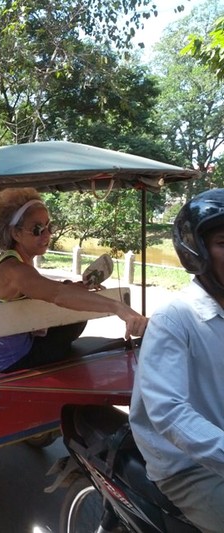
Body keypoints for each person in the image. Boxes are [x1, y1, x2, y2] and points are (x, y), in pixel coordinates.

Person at [129, 189, 224, 532]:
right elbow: (169, 411)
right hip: (188, 466)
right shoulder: (176, 318)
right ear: (196, 252)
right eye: (223, 243)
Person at [0, 187, 147, 373]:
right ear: (16, 234)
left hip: (11, 349)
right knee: (76, 316)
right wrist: (118, 307)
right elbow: (57, 294)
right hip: (9, 362)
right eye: (37, 229)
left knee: (74, 307)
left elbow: (46, 290)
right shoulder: (14, 270)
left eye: (49, 227)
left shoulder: (16, 261)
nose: (47, 234)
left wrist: (77, 288)